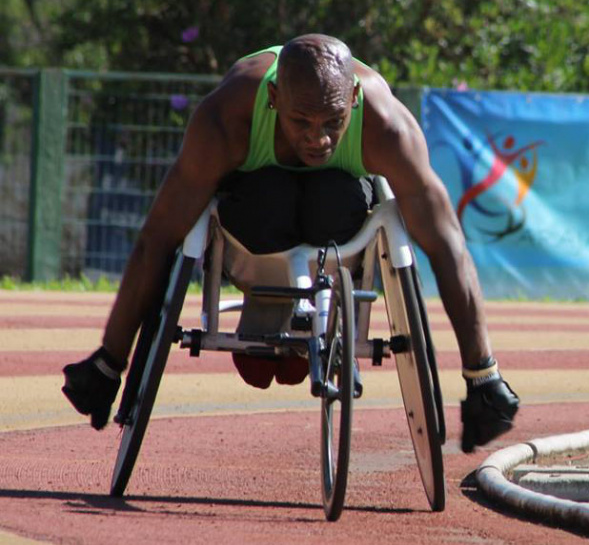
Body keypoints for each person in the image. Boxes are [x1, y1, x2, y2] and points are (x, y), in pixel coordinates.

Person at [61, 34, 519, 453]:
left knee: (330, 192)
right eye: (301, 120)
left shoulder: (387, 127)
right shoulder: (227, 117)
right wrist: (110, 360)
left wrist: (484, 373)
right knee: (275, 195)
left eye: (334, 121)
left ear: (355, 99)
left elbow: (445, 242)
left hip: (336, 229)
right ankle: (268, 312)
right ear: (275, 98)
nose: (318, 138)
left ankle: (307, 325)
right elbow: (158, 237)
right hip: (254, 227)